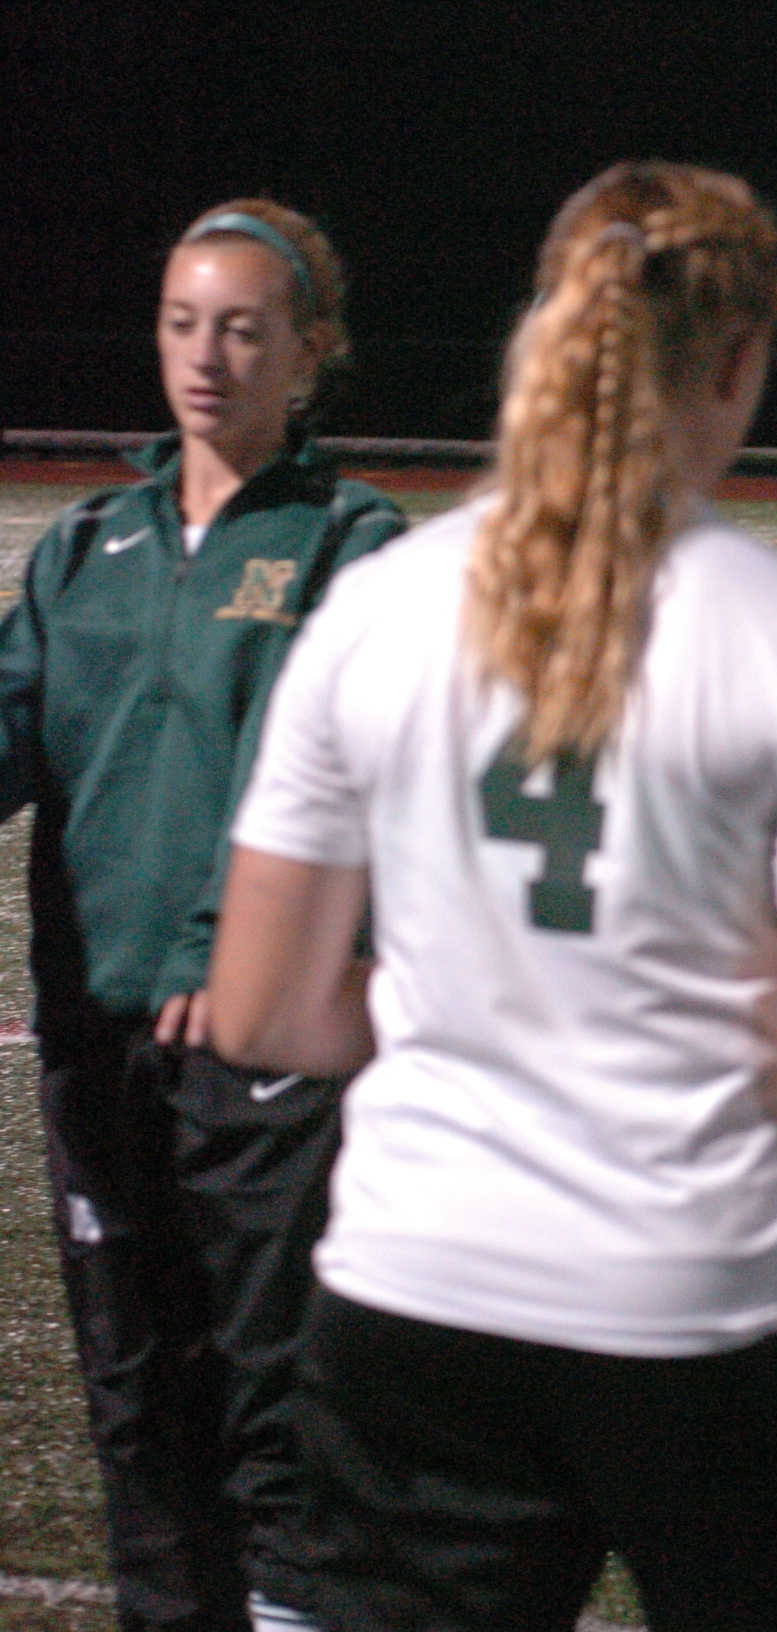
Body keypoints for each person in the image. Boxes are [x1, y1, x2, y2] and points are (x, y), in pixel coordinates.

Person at [204, 160, 777, 1632]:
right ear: (736, 360)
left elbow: (262, 1014)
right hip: (713, 1305)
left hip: (412, 1297)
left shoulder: (373, 609)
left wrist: (474, 1007)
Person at [2, 200, 404, 1632]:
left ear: (310, 349)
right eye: (183, 323)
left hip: (263, 1039)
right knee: (136, 1394)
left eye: (242, 329)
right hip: (95, 1033)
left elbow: (340, 772)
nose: (205, 356)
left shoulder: (351, 542)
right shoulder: (86, 544)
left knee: (280, 1393)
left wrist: (224, 942)